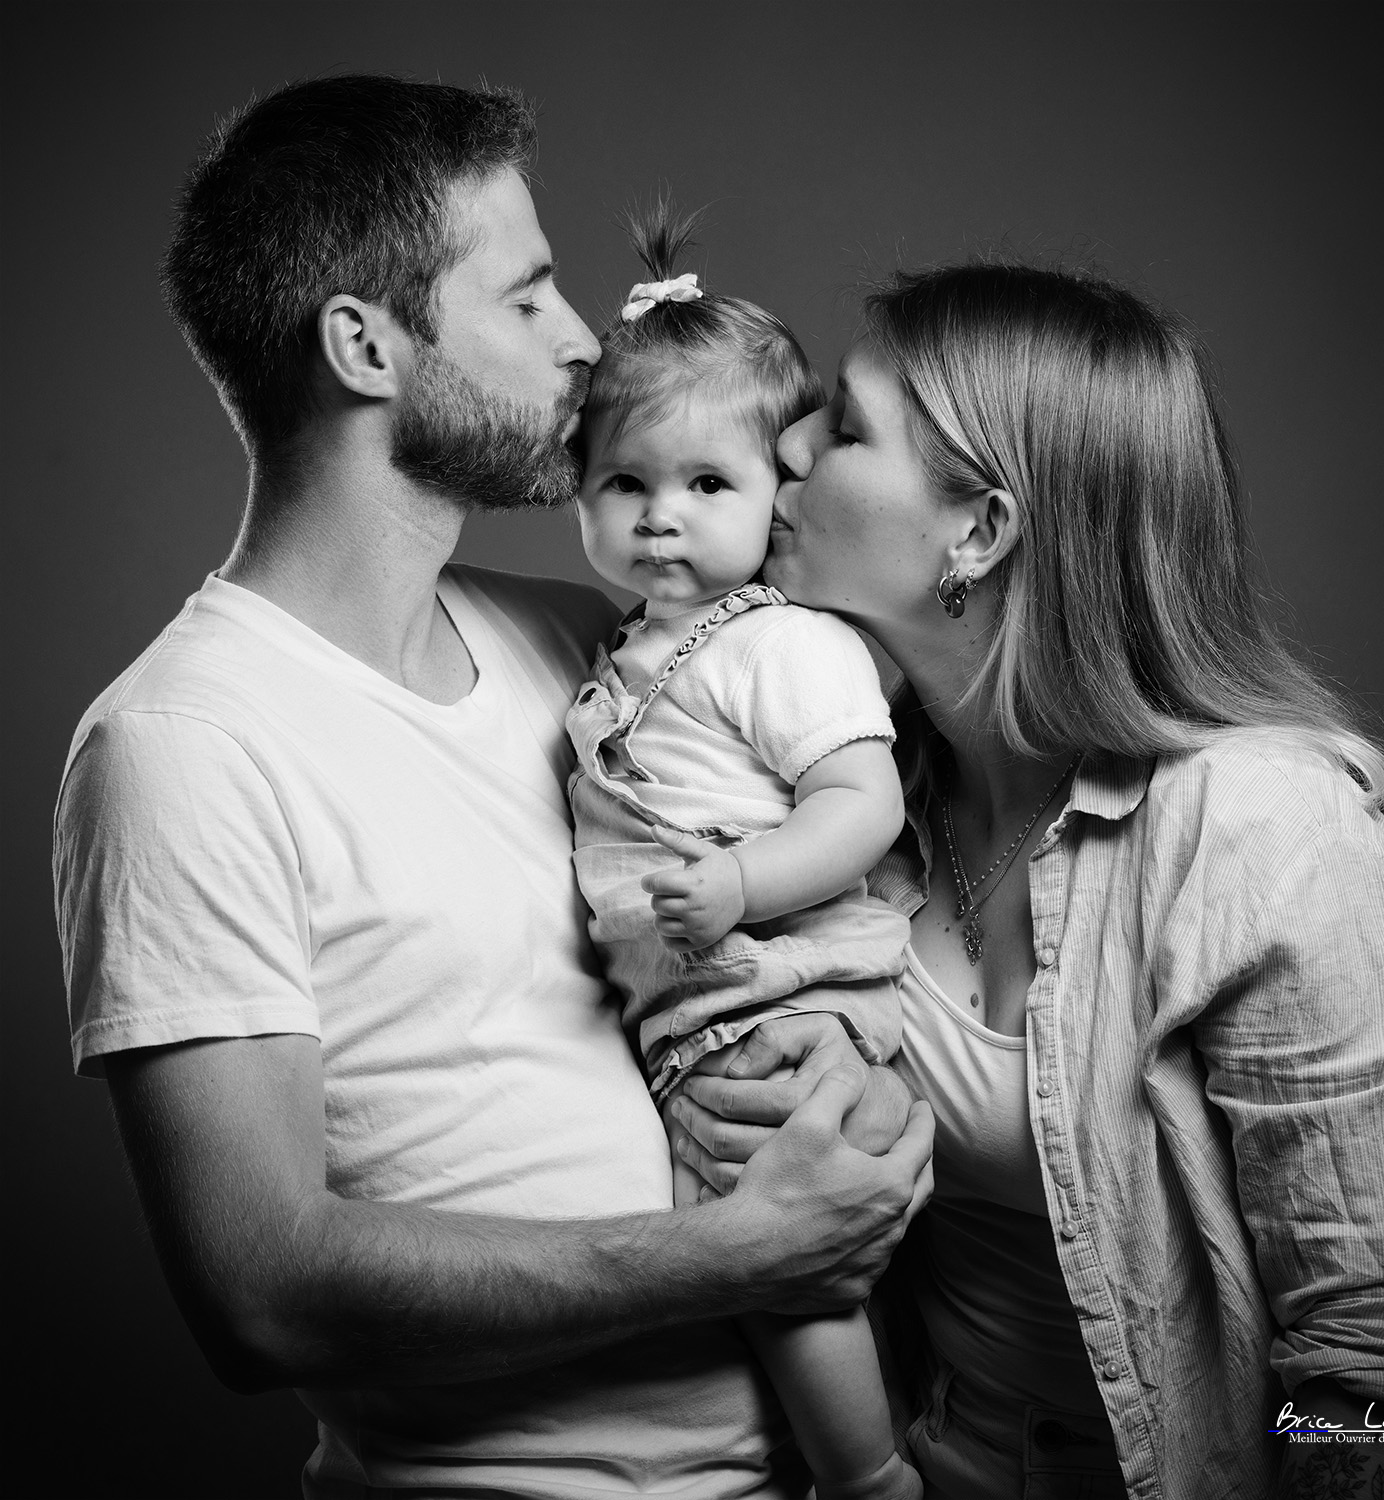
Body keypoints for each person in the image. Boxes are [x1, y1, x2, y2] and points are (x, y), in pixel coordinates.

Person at [51, 75, 934, 1498]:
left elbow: (878, 752)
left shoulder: (588, 649)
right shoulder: (183, 745)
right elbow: (259, 1294)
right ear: (364, 344)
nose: (586, 342)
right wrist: (740, 1253)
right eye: (525, 297)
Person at [670, 262, 1384, 1497]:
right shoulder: (851, 808)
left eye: (848, 422)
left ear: (977, 533)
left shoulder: (1266, 832)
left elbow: (1381, 1373)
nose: (789, 436)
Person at [567, 206, 919, 1500]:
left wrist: (740, 883)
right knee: (747, 1263)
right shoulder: (626, 658)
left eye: (709, 485)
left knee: (777, 1265)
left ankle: (869, 1479)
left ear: (778, 498)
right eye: (627, 483)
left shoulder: (779, 645)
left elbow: (861, 805)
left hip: (781, 1005)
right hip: (706, 1014)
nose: (663, 519)